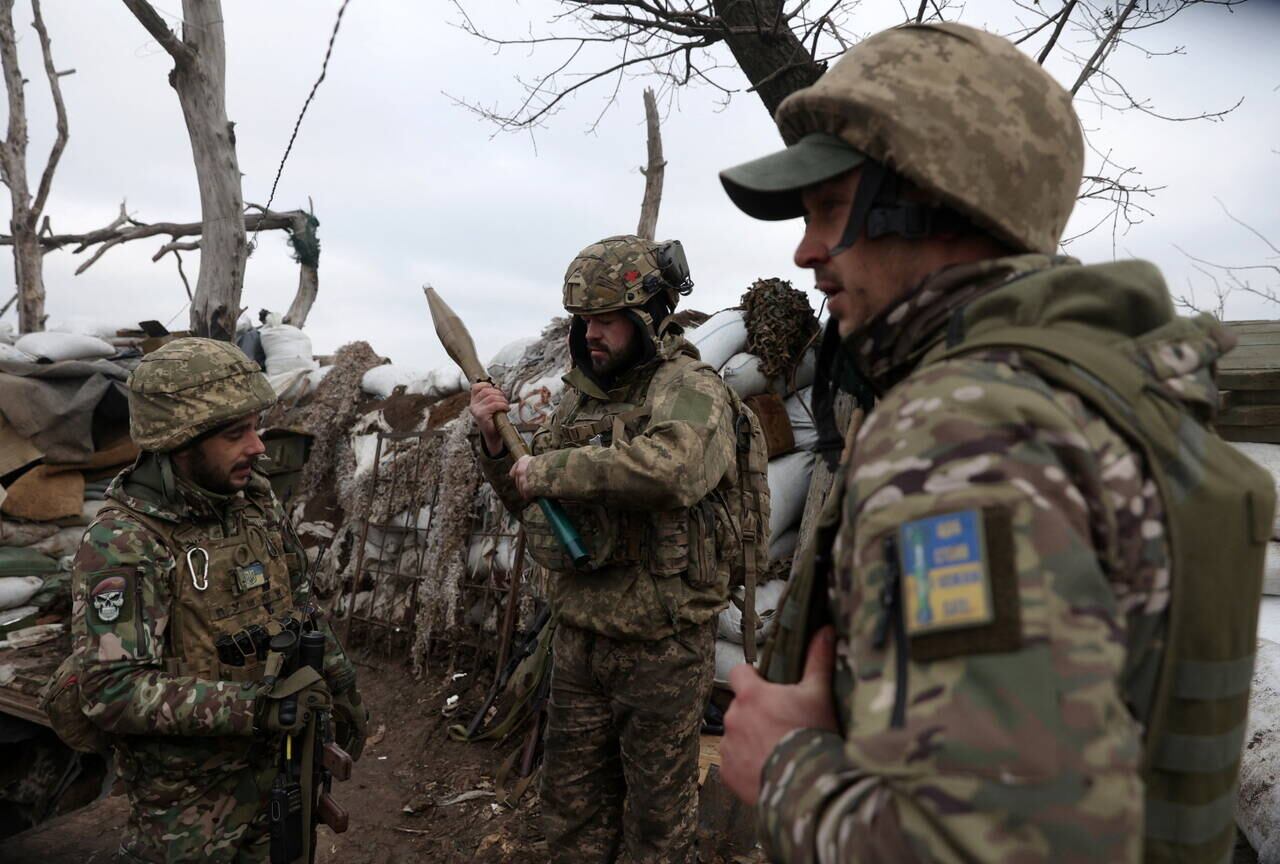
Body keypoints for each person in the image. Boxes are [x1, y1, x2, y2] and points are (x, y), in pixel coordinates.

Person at [715, 22, 1271, 864]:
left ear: (933, 199)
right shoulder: (1087, 395)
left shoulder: (965, 433)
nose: (805, 249)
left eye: (831, 207)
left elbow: (1006, 845)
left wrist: (786, 768)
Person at [470, 235, 744, 863]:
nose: (591, 334)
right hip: (580, 639)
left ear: (648, 316)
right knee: (570, 815)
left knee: (657, 826)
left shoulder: (691, 386)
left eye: (606, 320)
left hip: (661, 647)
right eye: (583, 320)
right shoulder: (581, 398)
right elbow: (534, 501)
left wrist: (554, 468)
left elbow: (674, 469)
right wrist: (494, 447)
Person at [69, 337, 367, 863]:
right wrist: (256, 708)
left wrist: (343, 688)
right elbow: (111, 691)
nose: (257, 446)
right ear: (181, 442)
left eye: (255, 427)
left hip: (282, 771)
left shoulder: (251, 499)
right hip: (189, 816)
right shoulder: (125, 542)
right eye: (236, 433)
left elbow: (299, 604)